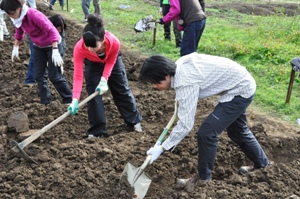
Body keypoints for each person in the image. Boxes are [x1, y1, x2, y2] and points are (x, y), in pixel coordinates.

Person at [139, 53, 272, 191]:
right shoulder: (179, 66)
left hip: (239, 89)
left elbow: (186, 124)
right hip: (239, 82)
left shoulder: (185, 82)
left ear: (166, 75)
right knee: (237, 130)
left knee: (207, 133)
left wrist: (163, 147)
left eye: (155, 82)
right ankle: (263, 164)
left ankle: (203, 180)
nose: (154, 86)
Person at [67, 14, 142, 138]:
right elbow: (78, 75)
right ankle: (97, 131)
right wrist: (75, 98)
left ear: (102, 41)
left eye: (94, 46)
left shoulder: (114, 42)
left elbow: (111, 62)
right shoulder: (79, 48)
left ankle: (134, 121)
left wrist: (104, 80)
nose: (90, 49)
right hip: (92, 64)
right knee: (93, 95)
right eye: (87, 46)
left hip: (113, 62)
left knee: (121, 89)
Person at [0, 0, 72, 105]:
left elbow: (52, 31)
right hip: (39, 46)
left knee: (54, 75)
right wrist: (16, 46)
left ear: (19, 8)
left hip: (53, 44)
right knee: (39, 76)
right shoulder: (17, 18)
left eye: (12, 13)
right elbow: (19, 30)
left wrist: (55, 51)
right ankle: (46, 102)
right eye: (9, 14)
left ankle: (69, 99)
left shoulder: (33, 15)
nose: (11, 16)